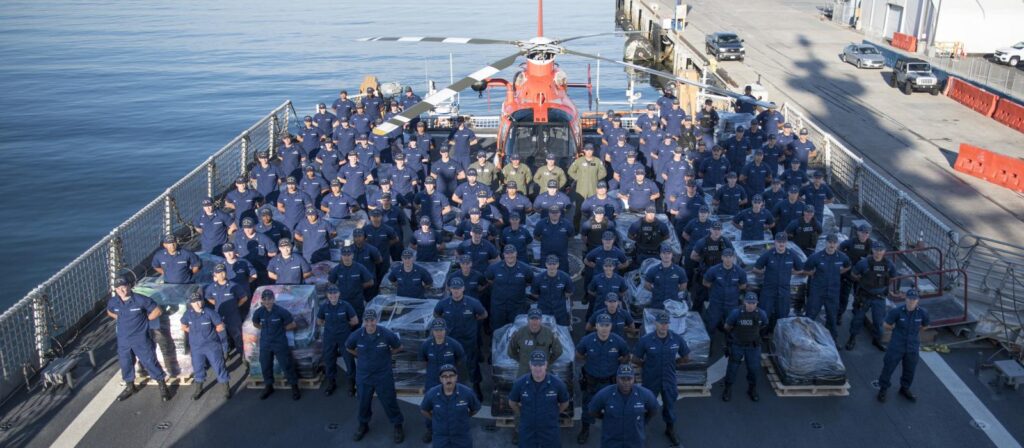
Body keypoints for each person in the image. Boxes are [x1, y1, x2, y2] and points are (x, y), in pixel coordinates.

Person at [107, 276, 170, 402]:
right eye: (118, 289)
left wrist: (145, 320)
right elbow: (110, 312)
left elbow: (157, 311)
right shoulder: (114, 302)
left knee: (150, 362)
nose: (122, 291)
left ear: (129, 286)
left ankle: (162, 387)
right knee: (126, 363)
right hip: (124, 339)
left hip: (140, 338)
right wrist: (120, 319)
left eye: (124, 287)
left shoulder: (141, 300)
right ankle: (130, 386)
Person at [347, 308, 405, 443]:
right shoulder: (356, 335)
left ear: (376, 320)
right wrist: (360, 356)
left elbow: (399, 346)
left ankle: (397, 425)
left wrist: (388, 354)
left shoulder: (386, 334)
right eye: (367, 321)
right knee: (363, 402)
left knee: (389, 401)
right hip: (364, 376)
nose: (370, 324)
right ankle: (363, 425)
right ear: (364, 321)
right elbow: (349, 347)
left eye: (372, 320)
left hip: (383, 375)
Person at [632, 311, 690, 446]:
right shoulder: (646, 340)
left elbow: (686, 357)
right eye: (661, 323)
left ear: (669, 324)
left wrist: (674, 364)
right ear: (655, 324)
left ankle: (670, 430)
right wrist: (646, 366)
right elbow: (635, 358)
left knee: (669, 406)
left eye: (666, 323)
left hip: (669, 379)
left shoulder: (676, 339)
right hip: (651, 380)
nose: (664, 326)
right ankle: (641, 430)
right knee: (646, 406)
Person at [575, 313, 631, 444]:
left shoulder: (618, 341)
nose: (604, 328)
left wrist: (620, 362)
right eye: (601, 325)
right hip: (591, 382)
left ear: (611, 326)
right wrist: (589, 361)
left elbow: (626, 356)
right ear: (596, 326)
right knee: (588, 408)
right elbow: (578, 354)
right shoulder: (587, 340)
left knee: (614, 407)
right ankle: (585, 430)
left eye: (607, 325)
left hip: (610, 382)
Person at [434, 278, 488, 397]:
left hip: (468, 340)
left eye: (458, 288)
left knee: (472, 364)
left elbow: (484, 314)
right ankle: (451, 388)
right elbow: (436, 314)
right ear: (450, 289)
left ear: (463, 288)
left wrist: (474, 320)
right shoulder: (443, 304)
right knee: (450, 364)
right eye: (454, 288)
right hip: (451, 340)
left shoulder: (473, 303)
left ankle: (475, 386)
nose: (456, 291)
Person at [508, 350, 571, 447]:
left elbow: (565, 403)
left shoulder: (557, 384)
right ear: (530, 365)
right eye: (535, 365)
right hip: (528, 431)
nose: (538, 368)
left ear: (546, 365)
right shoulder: (520, 384)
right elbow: (512, 402)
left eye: (541, 365)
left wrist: (553, 413)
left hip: (550, 431)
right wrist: (524, 413)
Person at [587, 364, 660, 448]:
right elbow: (592, 411)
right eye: (622, 379)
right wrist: (606, 418)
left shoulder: (645, 394)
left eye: (629, 379)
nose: (626, 382)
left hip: (635, 442)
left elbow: (654, 410)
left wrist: (643, 421)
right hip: (611, 442)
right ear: (617, 379)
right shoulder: (604, 394)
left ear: (634, 379)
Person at [877, 289, 930, 403]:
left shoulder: (922, 312)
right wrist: (896, 329)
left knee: (910, 369)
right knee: (889, 367)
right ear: (905, 299)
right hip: (897, 345)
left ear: (918, 301)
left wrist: (914, 332)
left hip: (912, 346)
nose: (911, 301)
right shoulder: (897, 311)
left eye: (914, 299)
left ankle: (904, 388)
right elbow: (886, 325)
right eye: (910, 299)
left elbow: (925, 326)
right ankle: (883, 389)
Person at [847, 242, 898, 351]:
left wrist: (885, 288)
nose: (878, 252)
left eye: (881, 250)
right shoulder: (863, 263)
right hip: (864, 296)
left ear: (884, 251)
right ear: (873, 250)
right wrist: (862, 282)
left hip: (879, 298)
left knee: (878, 321)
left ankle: (877, 340)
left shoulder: (889, 265)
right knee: (857, 319)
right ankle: (852, 338)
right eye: (876, 250)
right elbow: (853, 274)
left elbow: (893, 277)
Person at [180, 291, 230, 400]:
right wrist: (194, 334)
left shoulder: (210, 313)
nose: (197, 304)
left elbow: (220, 327)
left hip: (211, 346)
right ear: (191, 303)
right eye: (194, 302)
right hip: (196, 347)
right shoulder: (188, 314)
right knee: (198, 368)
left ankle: (226, 389)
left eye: (199, 301)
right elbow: (183, 326)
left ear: (202, 301)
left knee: (219, 367)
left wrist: (222, 344)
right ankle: (199, 389)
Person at [251, 289, 300, 400]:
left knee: (286, 364)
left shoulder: (281, 311)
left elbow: (292, 324)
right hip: (265, 343)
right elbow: (255, 323)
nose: (267, 301)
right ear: (262, 300)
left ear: (273, 299)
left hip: (279, 342)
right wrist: (264, 329)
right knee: (265, 365)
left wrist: (281, 329)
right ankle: (269, 386)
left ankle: (294, 387)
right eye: (265, 299)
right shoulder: (259, 312)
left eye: (270, 299)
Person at [752, 232, 804, 332]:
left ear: (786, 242)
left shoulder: (791, 255)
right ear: (775, 242)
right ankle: (762, 336)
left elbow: (800, 269)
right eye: (779, 242)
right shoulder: (768, 254)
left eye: (783, 242)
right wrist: (764, 272)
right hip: (768, 290)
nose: (781, 244)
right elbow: (755, 269)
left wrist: (791, 272)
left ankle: (779, 337)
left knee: (783, 316)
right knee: (764, 314)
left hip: (784, 291)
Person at [803, 233, 852, 338]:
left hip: (833, 292)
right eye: (830, 242)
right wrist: (813, 273)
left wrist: (839, 272)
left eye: (834, 243)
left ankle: (832, 340)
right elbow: (806, 270)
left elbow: (848, 266)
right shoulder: (816, 257)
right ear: (826, 243)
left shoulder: (842, 257)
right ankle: (806, 339)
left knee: (832, 317)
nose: (832, 245)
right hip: (817, 291)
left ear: (837, 244)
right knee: (810, 316)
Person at [420, 364, 481, 447]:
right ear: (440, 379)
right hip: (441, 437)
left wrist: (465, 416)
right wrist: (434, 419)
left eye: (451, 376)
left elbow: (475, 409)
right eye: (444, 376)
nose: (448, 379)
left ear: (456, 377)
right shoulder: (432, 394)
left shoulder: (467, 393)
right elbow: (424, 409)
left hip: (462, 437)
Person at [722, 293, 768, 402]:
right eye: (749, 303)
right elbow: (727, 327)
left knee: (754, 369)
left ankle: (752, 389)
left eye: (753, 303)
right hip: (737, 345)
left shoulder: (761, 314)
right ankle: (727, 389)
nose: (751, 305)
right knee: (732, 368)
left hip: (753, 346)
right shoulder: (736, 313)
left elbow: (764, 325)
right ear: (744, 302)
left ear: (757, 303)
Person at [318, 284, 359, 397]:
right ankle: (331, 383)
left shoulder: (345, 305)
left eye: (335, 293)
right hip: (329, 338)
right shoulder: (324, 306)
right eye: (330, 293)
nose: (333, 295)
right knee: (329, 360)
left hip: (344, 338)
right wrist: (328, 326)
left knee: (349, 361)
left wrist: (344, 327)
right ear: (327, 295)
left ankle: (352, 384)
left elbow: (355, 320)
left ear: (339, 294)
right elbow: (319, 320)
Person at [702, 248, 747, 343]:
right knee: (711, 325)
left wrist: (733, 291)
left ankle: (730, 348)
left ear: (734, 258)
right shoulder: (713, 270)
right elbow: (705, 282)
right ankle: (710, 347)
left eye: (730, 257)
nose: (728, 259)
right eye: (726, 257)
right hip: (716, 304)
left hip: (731, 305)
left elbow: (743, 285)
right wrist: (716, 290)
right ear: (722, 257)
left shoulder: (740, 272)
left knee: (731, 327)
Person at [204, 264, 248, 356]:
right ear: (215, 275)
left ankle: (242, 356)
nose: (221, 275)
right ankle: (225, 355)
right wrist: (217, 304)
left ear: (226, 273)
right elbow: (208, 297)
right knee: (222, 338)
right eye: (218, 273)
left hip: (233, 317)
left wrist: (235, 306)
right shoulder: (211, 287)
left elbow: (244, 298)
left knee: (238, 338)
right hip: (219, 317)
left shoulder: (234, 286)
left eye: (223, 272)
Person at [487, 246, 535, 330]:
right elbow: (489, 279)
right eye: (507, 253)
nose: (510, 255)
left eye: (512, 253)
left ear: (516, 253)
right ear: (503, 255)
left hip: (517, 307)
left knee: (517, 331)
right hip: (498, 306)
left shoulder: (525, 269)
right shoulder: (494, 268)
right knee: (497, 330)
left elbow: (529, 282)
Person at [689, 221, 732, 313]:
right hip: (706, 272)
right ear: (711, 230)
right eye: (715, 229)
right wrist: (703, 260)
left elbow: (732, 256)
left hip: (721, 273)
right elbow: (692, 256)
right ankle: (695, 316)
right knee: (700, 297)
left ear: (722, 231)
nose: (717, 232)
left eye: (719, 230)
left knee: (719, 297)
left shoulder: (725, 242)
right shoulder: (703, 241)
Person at [509, 308, 564, 376]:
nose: (534, 322)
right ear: (528, 320)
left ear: (541, 320)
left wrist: (547, 361)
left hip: (543, 372)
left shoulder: (549, 333)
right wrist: (523, 361)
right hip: (525, 372)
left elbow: (558, 351)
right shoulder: (520, 333)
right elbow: (511, 351)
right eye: (532, 319)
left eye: (537, 319)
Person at [838, 224, 874, 325]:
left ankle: (856, 314)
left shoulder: (870, 244)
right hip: (849, 274)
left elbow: (876, 256)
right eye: (862, 232)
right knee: (844, 296)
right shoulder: (851, 242)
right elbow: (840, 248)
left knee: (859, 297)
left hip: (861, 276)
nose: (864, 235)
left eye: (866, 233)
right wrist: (845, 260)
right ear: (858, 232)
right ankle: (839, 314)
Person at [328, 245, 375, 318]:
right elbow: (330, 283)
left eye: (348, 255)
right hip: (342, 301)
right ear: (341, 256)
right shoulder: (337, 269)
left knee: (358, 322)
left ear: (352, 255)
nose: (346, 257)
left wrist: (359, 287)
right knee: (344, 322)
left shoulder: (359, 267)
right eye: (344, 255)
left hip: (357, 301)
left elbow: (371, 281)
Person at [533, 255, 574, 326]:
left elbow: (569, 292)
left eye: (554, 264)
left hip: (560, 311)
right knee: (544, 331)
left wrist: (559, 299)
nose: (552, 267)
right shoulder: (538, 278)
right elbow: (534, 293)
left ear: (558, 264)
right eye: (549, 264)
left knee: (561, 331)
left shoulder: (565, 277)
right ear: (546, 264)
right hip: (544, 310)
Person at [643, 244, 688, 309]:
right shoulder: (653, 270)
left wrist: (674, 292)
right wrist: (656, 292)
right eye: (664, 253)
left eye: (668, 253)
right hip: (657, 303)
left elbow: (683, 286)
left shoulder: (679, 271)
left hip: (673, 303)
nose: (666, 256)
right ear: (660, 255)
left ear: (672, 255)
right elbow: (646, 285)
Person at [533, 206, 574, 271]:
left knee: (564, 275)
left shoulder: (567, 224)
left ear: (560, 213)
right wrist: (545, 241)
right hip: (545, 255)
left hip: (562, 255)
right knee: (544, 274)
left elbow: (571, 236)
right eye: (552, 213)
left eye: (556, 212)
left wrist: (562, 241)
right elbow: (536, 236)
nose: (555, 214)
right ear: (549, 213)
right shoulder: (541, 224)